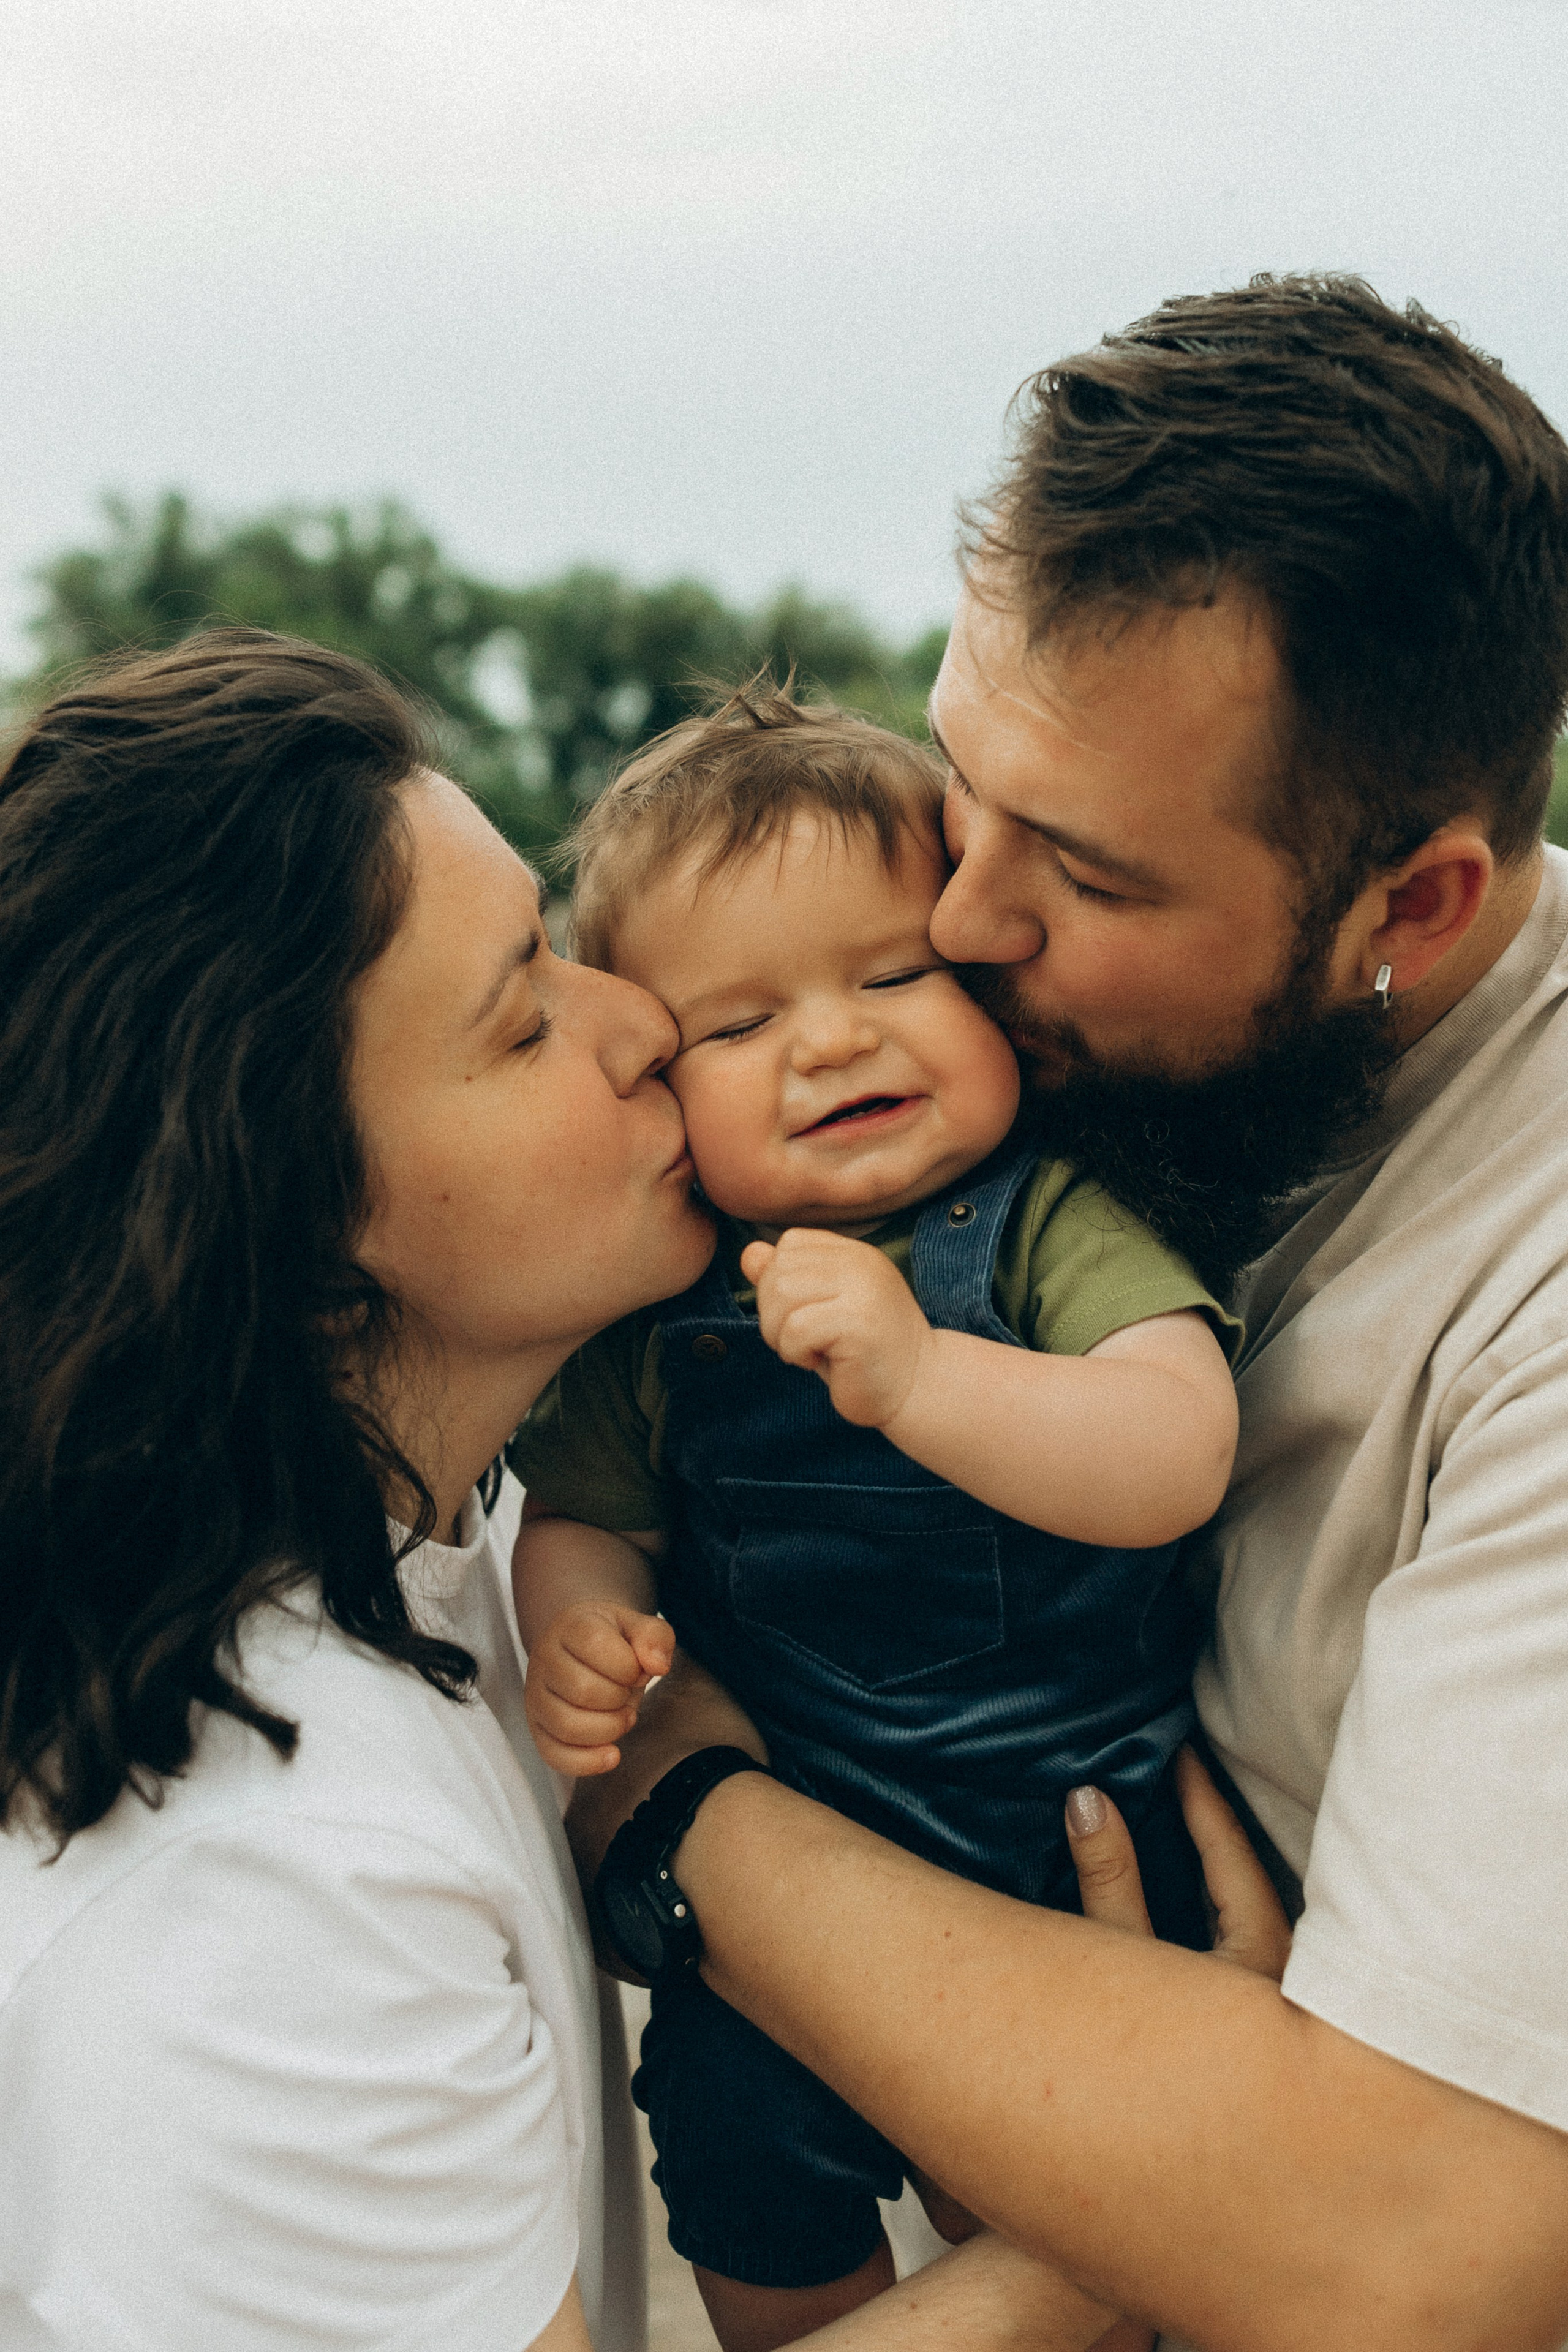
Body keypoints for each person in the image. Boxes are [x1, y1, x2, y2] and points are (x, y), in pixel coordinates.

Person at [0, 626, 1223, 2352]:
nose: (644, 1022)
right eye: (525, 1018)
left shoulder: (460, 1543)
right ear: (290, 1219)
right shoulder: (255, 1901)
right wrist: (1151, 2200)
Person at [568, 274, 1568, 2351]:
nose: (957, 921)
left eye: (1088, 878)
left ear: (1417, 907)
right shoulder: (1040, 1084)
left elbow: (1425, 2254)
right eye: (964, 786)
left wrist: (676, 1809)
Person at [510, 685, 1240, 2349]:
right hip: (801, 1865)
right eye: (738, 1025)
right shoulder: (665, 1313)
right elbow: (581, 1515)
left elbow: (1172, 1448)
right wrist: (580, 1621)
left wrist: (924, 1382)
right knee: (731, 2132)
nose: (832, 1040)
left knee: (1120, 2201)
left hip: (1075, 1847)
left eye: (894, 976)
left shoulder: (1050, 1223)